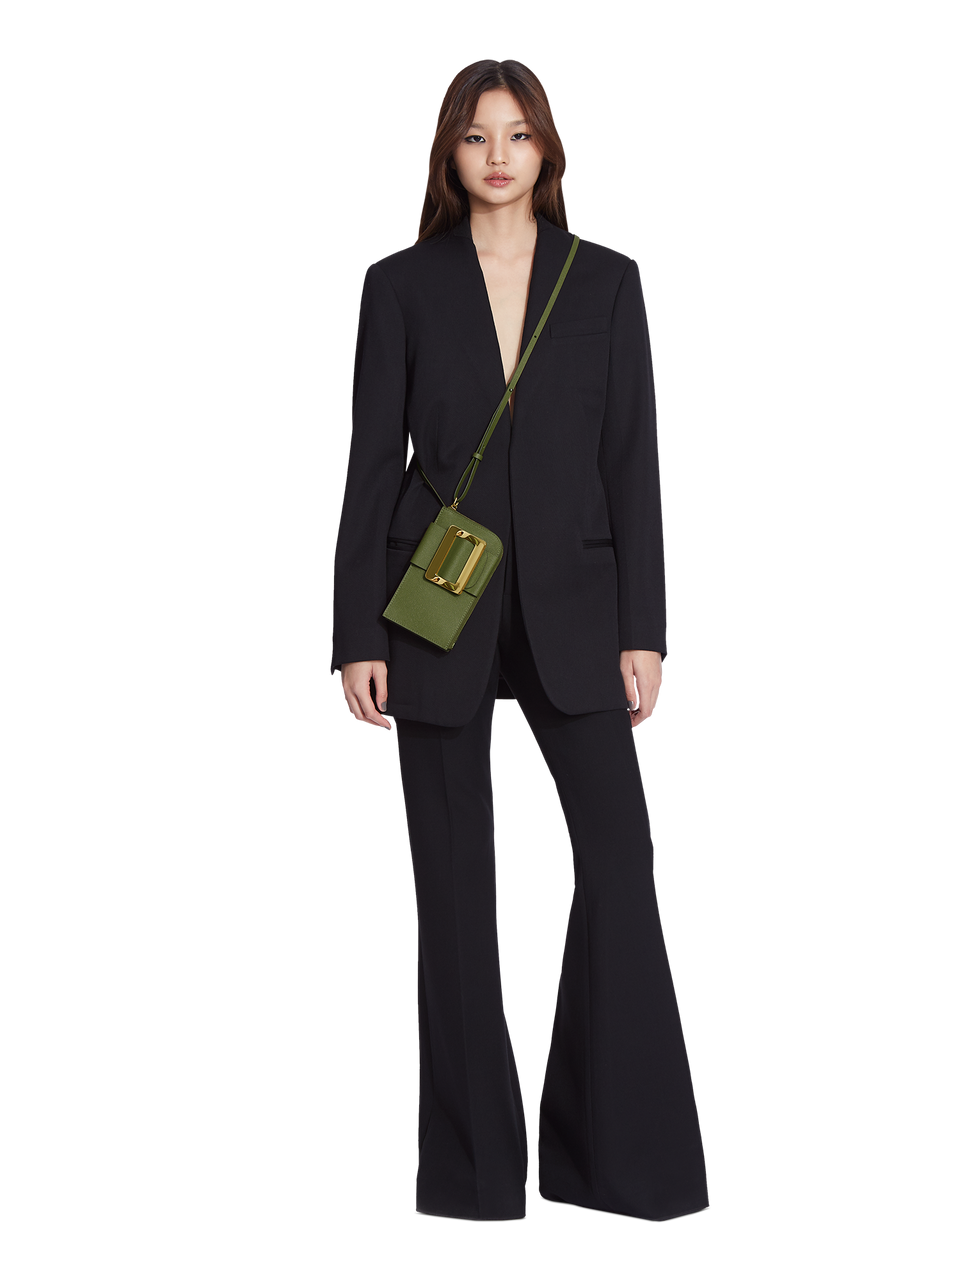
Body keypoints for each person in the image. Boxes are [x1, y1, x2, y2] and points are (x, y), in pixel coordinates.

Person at [331, 56, 709, 1223]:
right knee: (452, 893)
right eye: (475, 136)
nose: (497, 155)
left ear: (546, 147)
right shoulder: (399, 284)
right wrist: (354, 632)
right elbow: (369, 465)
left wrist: (644, 627)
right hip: (432, 606)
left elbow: (633, 460)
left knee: (622, 867)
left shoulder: (608, 279)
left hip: (578, 609)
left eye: (517, 134)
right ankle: (474, 1176)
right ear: (448, 153)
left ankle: (614, 1161)